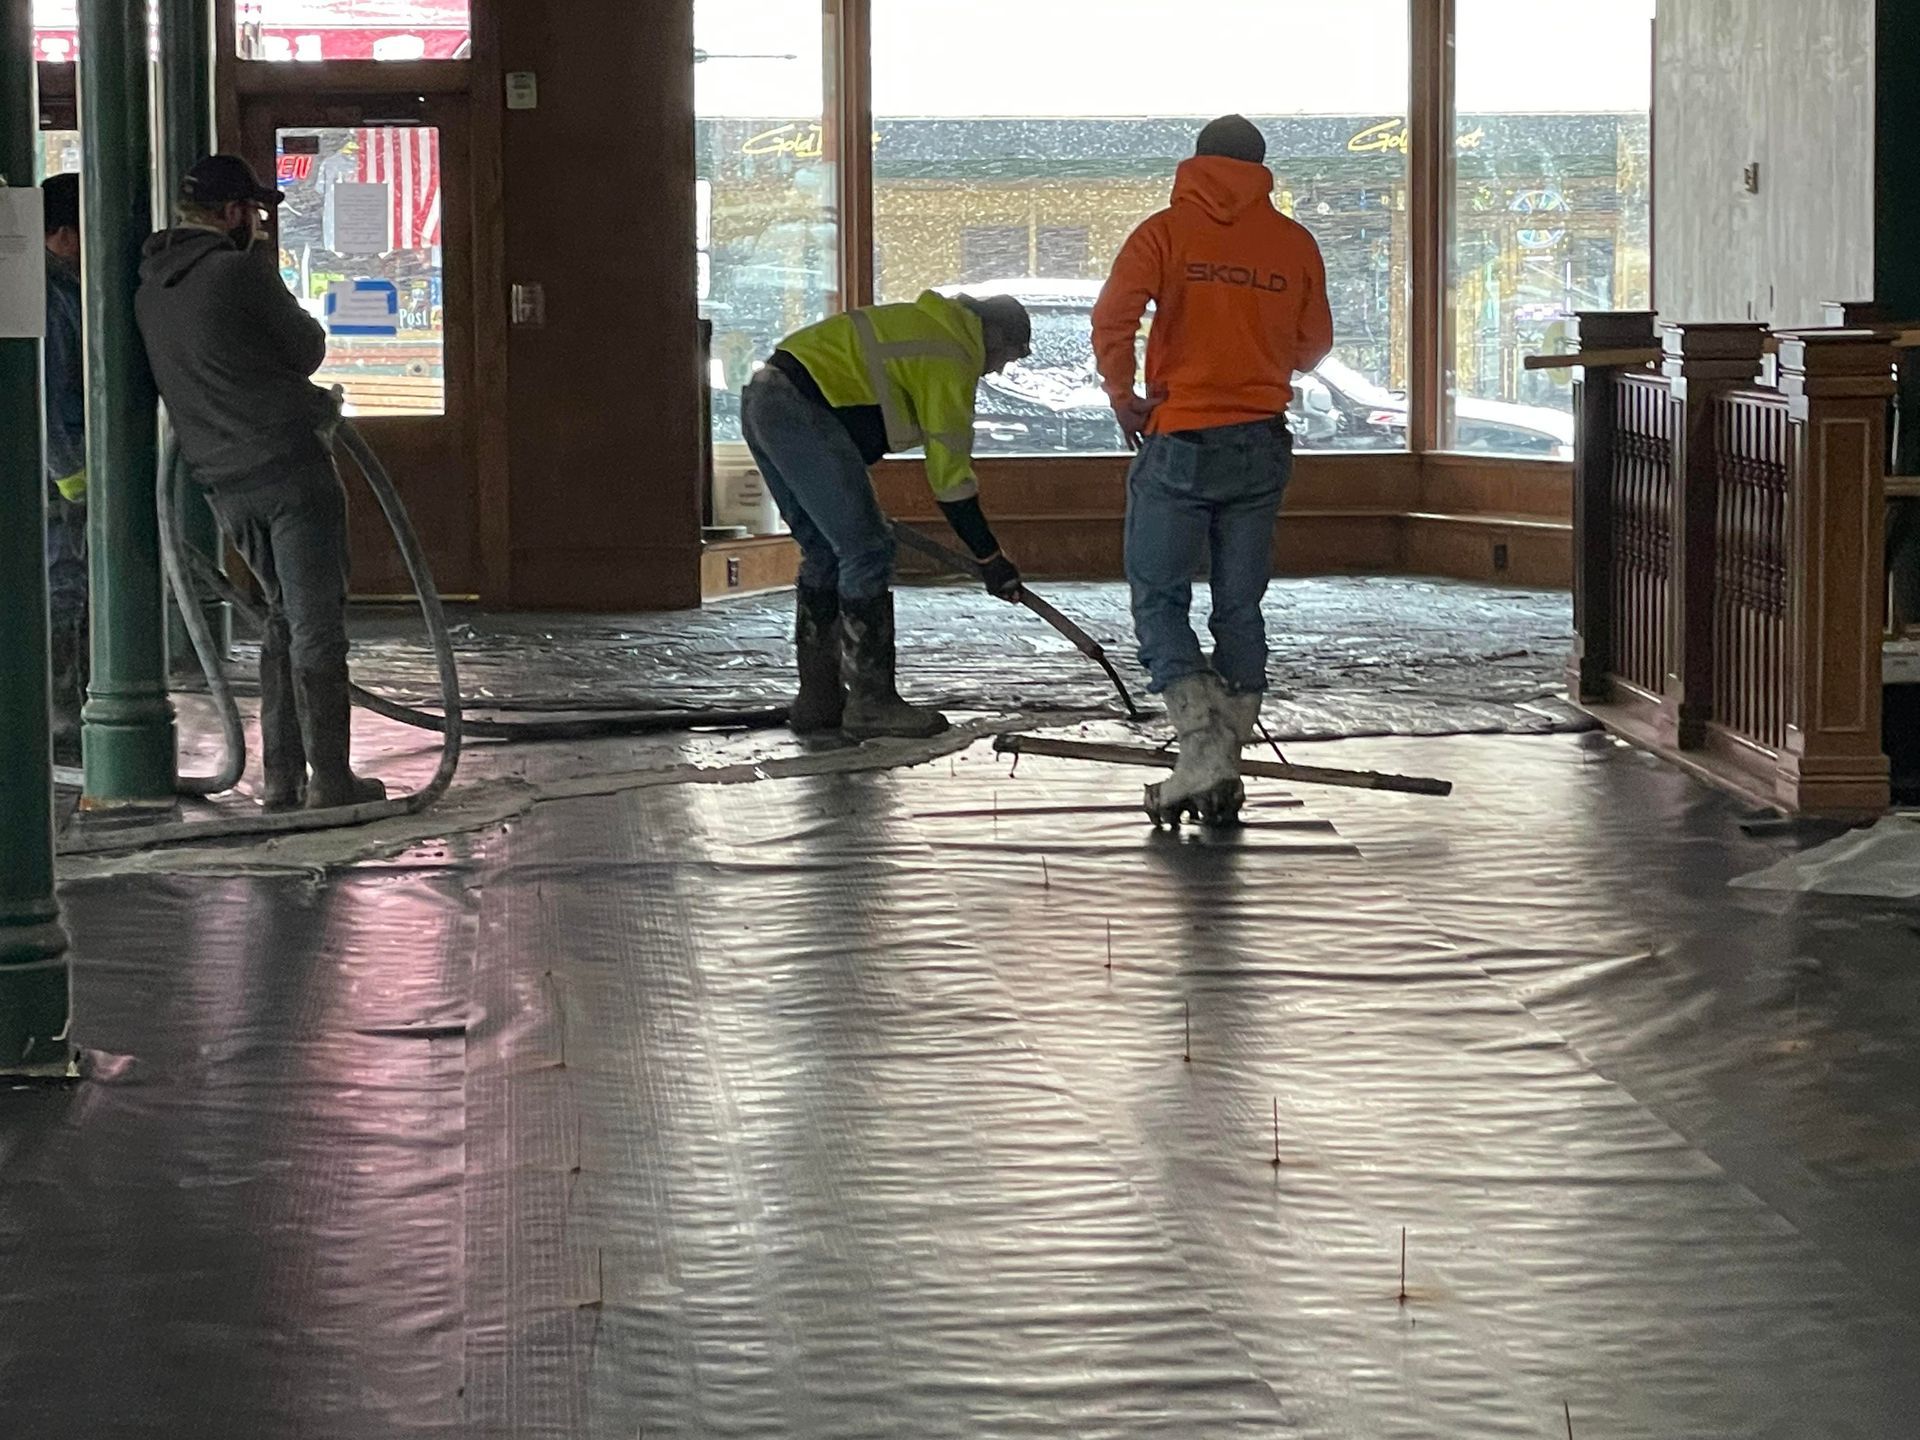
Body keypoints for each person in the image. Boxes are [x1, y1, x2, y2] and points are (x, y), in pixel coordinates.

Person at [1093, 114, 1334, 826]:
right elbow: (1313, 342)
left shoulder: (1164, 233)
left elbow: (1114, 317)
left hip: (1181, 440)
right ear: (1261, 168)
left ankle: (1201, 745)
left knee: (1159, 598)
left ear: (1195, 162)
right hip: (1261, 440)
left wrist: (1122, 393)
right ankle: (1222, 754)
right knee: (1239, 603)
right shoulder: (1292, 242)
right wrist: (1255, 364)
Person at [135, 154, 385, 812]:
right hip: (289, 469)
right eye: (254, 212)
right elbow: (306, 348)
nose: (257, 224)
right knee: (316, 624)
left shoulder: (150, 287)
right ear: (233, 213)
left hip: (222, 482)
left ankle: (282, 777)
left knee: (280, 618)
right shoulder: (239, 272)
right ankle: (330, 777)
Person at [741, 290, 1032, 739]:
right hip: (801, 409)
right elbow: (950, 477)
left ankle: (819, 700)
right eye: (1008, 358)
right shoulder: (952, 353)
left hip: (766, 397)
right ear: (993, 336)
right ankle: (872, 703)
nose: (998, 370)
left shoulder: (929, 327)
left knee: (824, 551)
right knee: (866, 549)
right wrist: (990, 558)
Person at [42, 173, 88, 764]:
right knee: (64, 587)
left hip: (64, 468)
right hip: (60, 475)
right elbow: (49, 399)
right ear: (62, 234)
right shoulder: (49, 299)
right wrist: (73, 479)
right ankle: (60, 717)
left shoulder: (63, 289)